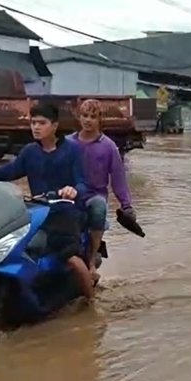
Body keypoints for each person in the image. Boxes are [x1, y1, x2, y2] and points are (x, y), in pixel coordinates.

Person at [0, 103, 94, 300]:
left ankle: (91, 301)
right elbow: (11, 170)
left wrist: (72, 190)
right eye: (33, 123)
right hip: (37, 212)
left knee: (71, 258)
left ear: (55, 126)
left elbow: (83, 182)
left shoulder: (71, 151)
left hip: (65, 212)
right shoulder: (30, 151)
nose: (36, 127)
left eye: (42, 123)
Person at [68, 99, 136, 284]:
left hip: (94, 197)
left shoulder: (108, 147)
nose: (88, 120)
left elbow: (118, 179)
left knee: (98, 207)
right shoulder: (67, 143)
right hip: (69, 195)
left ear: (99, 120)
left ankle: (91, 261)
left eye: (93, 116)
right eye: (85, 116)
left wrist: (126, 205)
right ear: (79, 118)